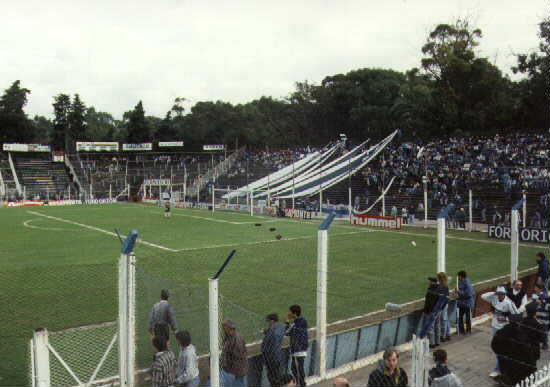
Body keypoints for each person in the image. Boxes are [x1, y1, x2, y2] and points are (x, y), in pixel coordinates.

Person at [481, 286, 518, 378]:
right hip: (494, 327)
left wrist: (505, 318)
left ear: (505, 294)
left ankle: (498, 370)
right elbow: (483, 296)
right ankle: (503, 368)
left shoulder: (509, 303)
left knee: (500, 350)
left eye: (502, 294)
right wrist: (494, 293)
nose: (500, 296)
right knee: (498, 349)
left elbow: (517, 316)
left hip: (503, 329)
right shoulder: (494, 298)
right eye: (499, 294)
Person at [491, 314, 534, 386]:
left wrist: (501, 354)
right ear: (519, 323)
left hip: (504, 359)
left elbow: (493, 344)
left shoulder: (501, 331)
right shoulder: (522, 336)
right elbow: (527, 353)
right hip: (516, 363)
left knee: (505, 375)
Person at [285, 305, 309, 387]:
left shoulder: (297, 323)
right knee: (296, 369)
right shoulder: (301, 320)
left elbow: (287, 332)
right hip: (300, 349)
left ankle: (301, 384)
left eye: (290, 312)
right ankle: (300, 383)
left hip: (298, 350)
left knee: (297, 369)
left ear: (294, 313)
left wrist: (287, 321)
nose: (288, 313)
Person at [220, 318, 248, 387]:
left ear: (228, 328)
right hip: (232, 371)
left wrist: (233, 373)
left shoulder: (237, 340)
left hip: (235, 373)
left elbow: (239, 359)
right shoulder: (229, 336)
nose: (223, 329)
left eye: (224, 327)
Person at [262, 313, 285, 387]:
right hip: (278, 356)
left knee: (273, 378)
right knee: (277, 377)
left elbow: (267, 345)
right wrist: (267, 331)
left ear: (272, 321)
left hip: (271, 358)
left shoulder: (272, 332)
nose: (267, 323)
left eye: (268, 321)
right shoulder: (280, 327)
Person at [419, 277, 442, 348]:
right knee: (437, 325)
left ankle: (432, 343)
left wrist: (426, 311)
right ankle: (437, 341)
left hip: (431, 312)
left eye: (429, 282)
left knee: (430, 327)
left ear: (432, 283)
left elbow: (429, 303)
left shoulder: (430, 291)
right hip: (438, 310)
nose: (428, 283)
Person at [437, 273, 451, 342]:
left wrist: (441, 307)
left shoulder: (442, 287)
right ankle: (448, 334)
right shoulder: (445, 286)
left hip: (443, 305)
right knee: (446, 319)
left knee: (443, 320)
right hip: (445, 305)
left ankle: (443, 336)